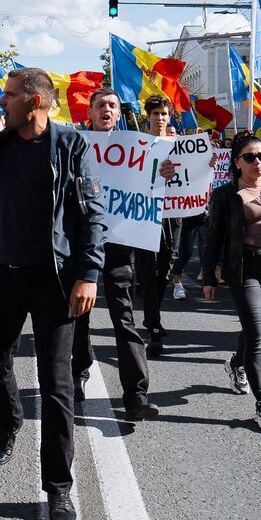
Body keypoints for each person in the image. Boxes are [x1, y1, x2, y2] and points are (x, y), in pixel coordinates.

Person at [0, 67, 106, 520]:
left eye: (10, 95)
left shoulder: (70, 146)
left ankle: (58, 488)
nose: (2, 102)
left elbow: (92, 212)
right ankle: (10, 420)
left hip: (54, 279)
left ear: (35, 101)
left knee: (56, 384)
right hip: (3, 273)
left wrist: (88, 274)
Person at [69, 88, 160, 422]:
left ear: (119, 114)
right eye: (101, 105)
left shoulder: (137, 147)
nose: (106, 110)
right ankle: (78, 372)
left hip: (118, 245)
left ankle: (136, 393)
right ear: (90, 113)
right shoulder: (76, 144)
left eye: (112, 106)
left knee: (124, 317)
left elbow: (154, 183)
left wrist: (161, 175)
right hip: (81, 245)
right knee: (79, 314)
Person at [201, 132, 261, 433]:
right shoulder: (226, 195)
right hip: (245, 268)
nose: (258, 162)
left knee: (260, 326)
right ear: (237, 162)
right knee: (257, 336)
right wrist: (208, 273)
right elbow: (213, 236)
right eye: (250, 157)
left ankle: (236, 363)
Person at [134, 95, 178, 356]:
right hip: (144, 212)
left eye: (164, 114)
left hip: (174, 215)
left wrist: (207, 166)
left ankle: (153, 315)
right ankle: (153, 326)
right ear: (147, 117)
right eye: (155, 114)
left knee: (166, 267)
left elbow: (193, 176)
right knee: (148, 271)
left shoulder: (181, 145)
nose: (160, 118)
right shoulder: (139, 145)